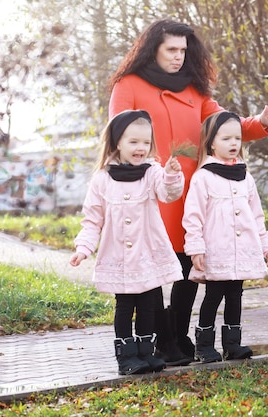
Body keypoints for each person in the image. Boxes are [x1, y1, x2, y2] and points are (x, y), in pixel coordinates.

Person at [108, 18, 268, 365]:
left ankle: (176, 337)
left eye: (183, 51)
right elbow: (121, 135)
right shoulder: (127, 84)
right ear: (153, 50)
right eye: (171, 50)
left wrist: (263, 121)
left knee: (189, 268)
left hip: (194, 192)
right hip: (152, 191)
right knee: (154, 271)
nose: (178, 57)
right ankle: (162, 342)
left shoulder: (195, 89)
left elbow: (225, 127)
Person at [69, 110, 185, 375]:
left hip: (147, 255)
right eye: (133, 142)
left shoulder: (153, 172)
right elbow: (92, 220)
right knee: (125, 306)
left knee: (147, 305)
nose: (140, 148)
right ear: (117, 142)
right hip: (118, 258)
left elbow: (169, 194)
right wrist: (83, 248)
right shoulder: (102, 180)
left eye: (145, 142)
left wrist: (171, 175)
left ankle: (146, 353)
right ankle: (126, 358)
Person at [182, 111, 268, 363]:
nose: (233, 144)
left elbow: (257, 215)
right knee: (213, 296)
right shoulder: (204, 177)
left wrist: (266, 245)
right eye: (226, 139)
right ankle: (204, 346)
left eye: (237, 138)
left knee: (235, 295)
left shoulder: (246, 176)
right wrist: (196, 249)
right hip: (216, 251)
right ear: (212, 142)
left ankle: (233, 344)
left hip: (243, 250)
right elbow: (193, 217)